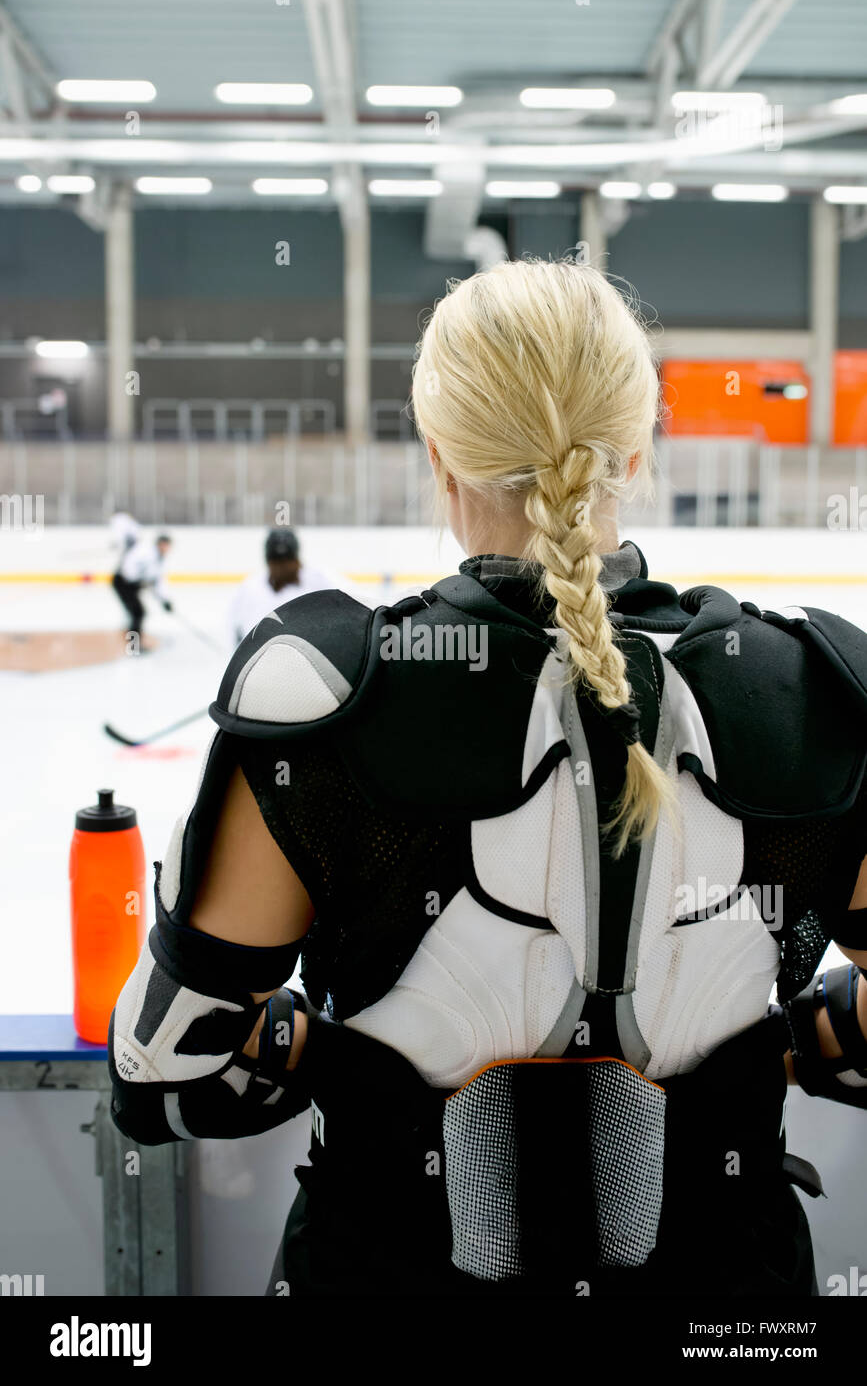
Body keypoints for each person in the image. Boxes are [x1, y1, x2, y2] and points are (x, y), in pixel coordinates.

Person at [107, 259, 867, 1299]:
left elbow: (165, 1073)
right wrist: (776, 1050)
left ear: (438, 455)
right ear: (637, 449)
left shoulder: (323, 701)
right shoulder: (815, 695)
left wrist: (324, 1051)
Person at [228, 528, 336, 646]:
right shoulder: (249, 591)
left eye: (287, 561)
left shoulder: (320, 583)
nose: (282, 568)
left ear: (296, 560)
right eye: (277, 562)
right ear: (268, 563)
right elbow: (235, 631)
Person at [112, 532, 173, 642]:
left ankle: (133, 645)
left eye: (167, 545)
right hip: (122, 582)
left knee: (138, 613)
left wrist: (164, 600)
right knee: (137, 613)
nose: (165, 548)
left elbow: (156, 582)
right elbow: (129, 565)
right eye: (163, 544)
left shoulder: (159, 559)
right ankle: (133, 647)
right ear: (158, 544)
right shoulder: (146, 554)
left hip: (131, 585)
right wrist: (134, 580)